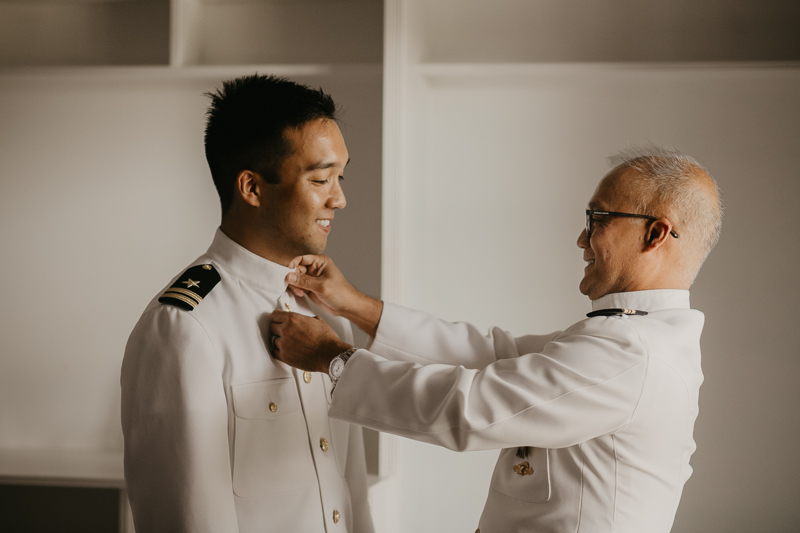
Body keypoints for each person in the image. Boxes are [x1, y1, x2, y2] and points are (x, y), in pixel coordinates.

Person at [268, 145, 722, 533]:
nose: (582, 238)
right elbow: (490, 355)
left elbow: (471, 408)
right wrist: (353, 304)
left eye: (598, 218)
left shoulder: (630, 353)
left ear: (655, 233)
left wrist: (333, 359)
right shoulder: (631, 337)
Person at [121, 74, 374, 533]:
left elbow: (350, 491)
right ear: (252, 188)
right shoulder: (185, 327)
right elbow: (187, 518)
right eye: (321, 178)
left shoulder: (328, 314)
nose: (339, 198)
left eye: (341, 176)